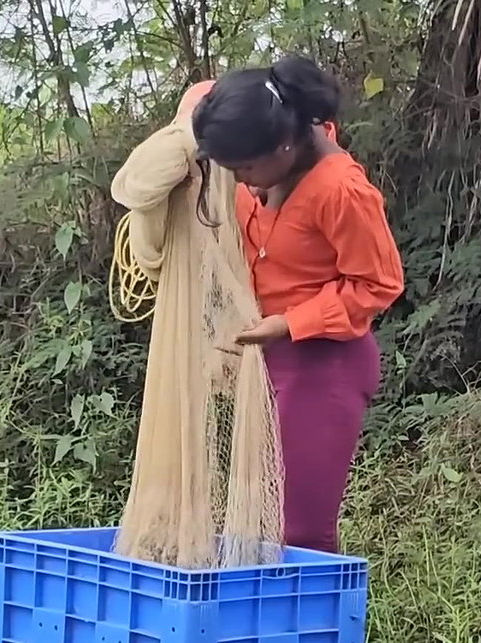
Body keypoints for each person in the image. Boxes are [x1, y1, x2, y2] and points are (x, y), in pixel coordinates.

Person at [181, 56, 405, 554]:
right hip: (267, 362)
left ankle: (315, 630)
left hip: (324, 367)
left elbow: (378, 284)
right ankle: (259, 628)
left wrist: (288, 323)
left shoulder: (340, 192)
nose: (239, 182)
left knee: (300, 527)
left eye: (245, 168)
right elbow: (201, 96)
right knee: (258, 515)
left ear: (284, 145)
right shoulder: (262, 127)